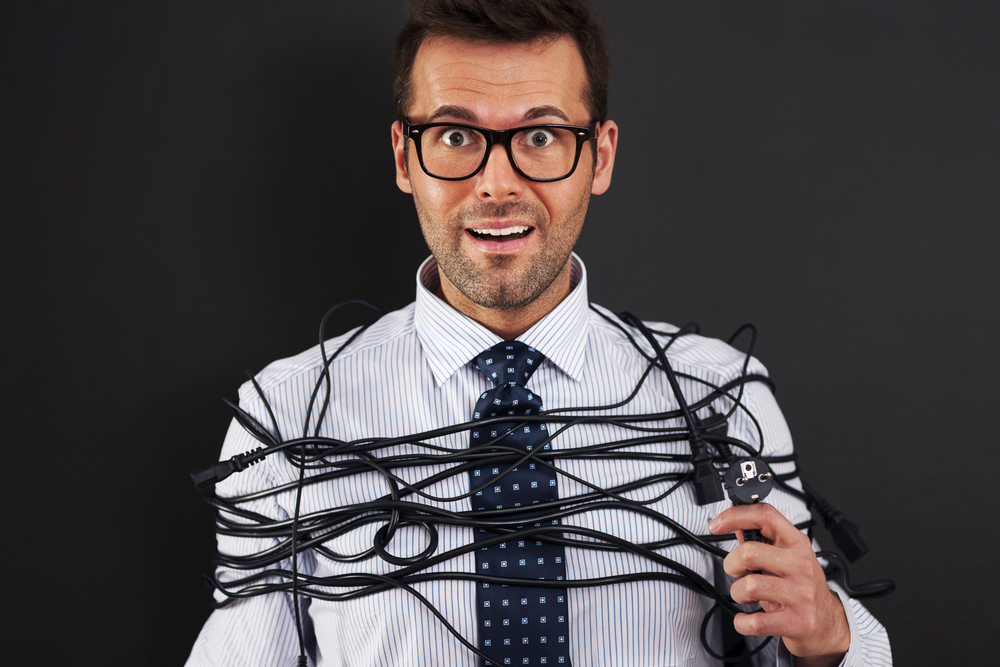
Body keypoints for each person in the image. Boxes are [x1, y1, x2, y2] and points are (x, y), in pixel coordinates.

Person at [186, 1, 890, 665]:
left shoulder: (722, 395)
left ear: (601, 157)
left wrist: (827, 636)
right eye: (457, 135)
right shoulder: (287, 419)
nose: (497, 183)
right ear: (405, 157)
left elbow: (801, 637)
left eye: (542, 135)